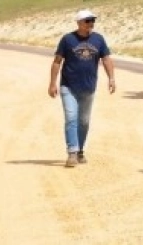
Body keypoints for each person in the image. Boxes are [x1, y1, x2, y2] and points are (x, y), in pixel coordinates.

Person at [48, 9, 116, 168]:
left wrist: (111, 78)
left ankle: (79, 151)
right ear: (78, 23)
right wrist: (52, 83)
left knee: (84, 122)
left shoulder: (99, 39)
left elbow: (106, 59)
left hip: (88, 87)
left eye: (93, 21)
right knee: (71, 119)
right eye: (87, 21)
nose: (91, 24)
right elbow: (57, 61)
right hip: (68, 86)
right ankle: (72, 152)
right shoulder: (67, 39)